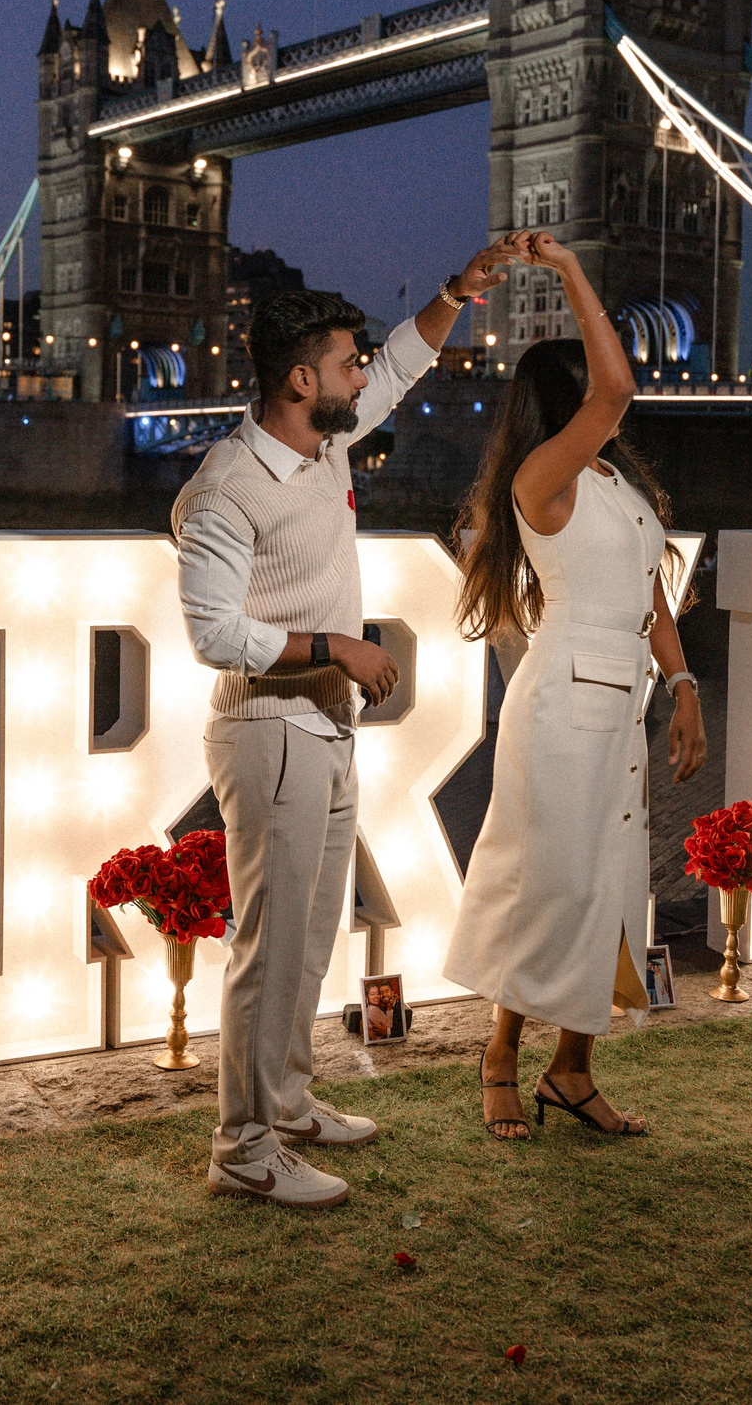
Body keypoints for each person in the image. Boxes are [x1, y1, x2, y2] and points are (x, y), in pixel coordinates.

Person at [173, 238, 522, 1208]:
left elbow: (406, 366)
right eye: (345, 362)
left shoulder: (322, 441)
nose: (361, 374)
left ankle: (286, 1104)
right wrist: (339, 646)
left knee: (312, 935)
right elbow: (214, 633)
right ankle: (241, 1146)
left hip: (323, 733)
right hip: (268, 731)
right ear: (299, 378)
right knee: (268, 948)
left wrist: (458, 289)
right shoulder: (223, 488)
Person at [445, 234, 707, 1144]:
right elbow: (618, 389)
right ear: (569, 400)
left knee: (610, 888)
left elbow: (650, 597)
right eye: (595, 379)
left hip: (619, 705)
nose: (617, 390)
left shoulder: (616, 488)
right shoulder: (542, 480)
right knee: (547, 883)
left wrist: (683, 685)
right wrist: (568, 273)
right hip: (559, 708)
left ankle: (573, 1069)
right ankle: (499, 1056)